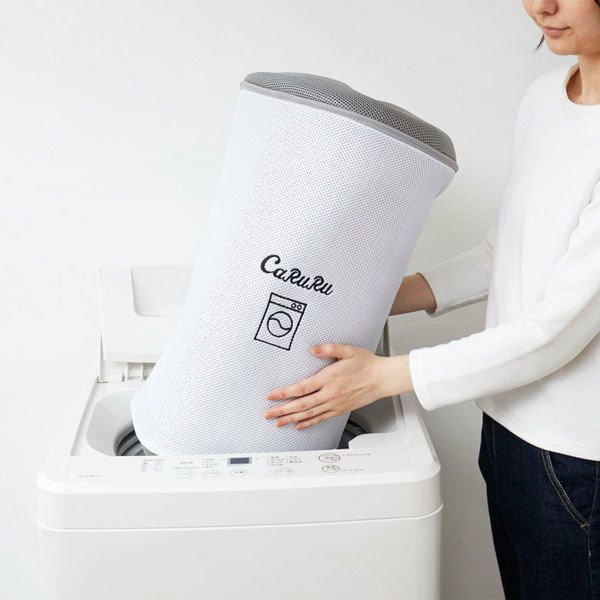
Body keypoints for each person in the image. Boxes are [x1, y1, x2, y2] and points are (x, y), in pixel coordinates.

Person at [263, 1, 600, 598]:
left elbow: (557, 332)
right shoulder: (545, 97)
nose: (541, 6)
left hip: (575, 458)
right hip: (505, 428)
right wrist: (369, 296)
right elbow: (501, 254)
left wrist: (384, 377)